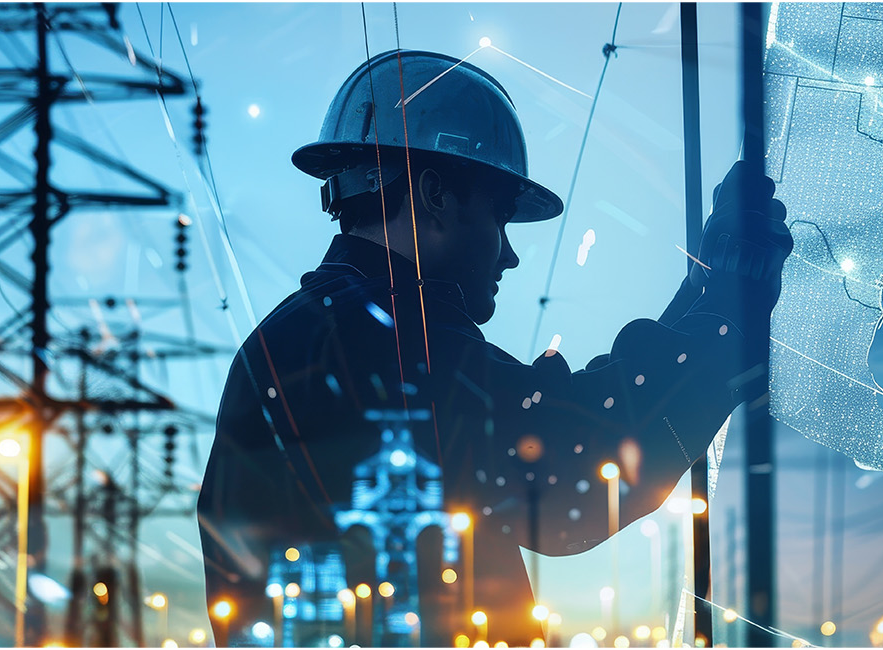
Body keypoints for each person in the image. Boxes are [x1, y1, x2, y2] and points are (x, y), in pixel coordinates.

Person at [198, 49, 792, 647]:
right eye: (499, 216)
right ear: (433, 194)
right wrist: (730, 312)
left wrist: (704, 295)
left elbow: (558, 431)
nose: (507, 253)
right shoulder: (382, 339)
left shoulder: (317, 335)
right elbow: (576, 467)